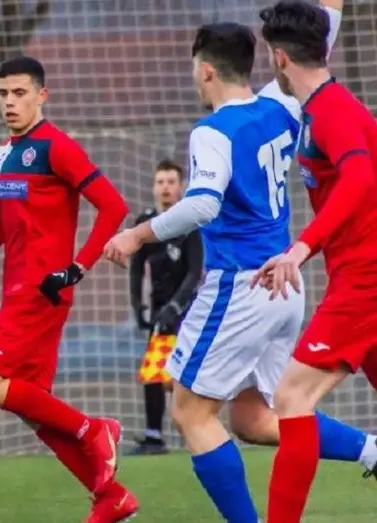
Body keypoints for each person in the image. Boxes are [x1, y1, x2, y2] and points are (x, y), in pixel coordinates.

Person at [102, 3, 377, 521]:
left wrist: (137, 234)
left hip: (239, 287)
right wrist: (329, 10)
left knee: (189, 411)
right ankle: (371, 450)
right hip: (283, 288)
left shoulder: (213, 131)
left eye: (194, 68)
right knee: (254, 417)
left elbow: (203, 204)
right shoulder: (281, 106)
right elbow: (312, 52)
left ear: (206, 70)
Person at [0, 56, 135, 523]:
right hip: (16, 291)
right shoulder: (2, 153)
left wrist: (77, 267)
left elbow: (113, 206)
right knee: (36, 410)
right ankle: (112, 497)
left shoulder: (57, 146)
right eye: (3, 93)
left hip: (43, 292)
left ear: (42, 95)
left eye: (19, 93)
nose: (10, 102)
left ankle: (94, 428)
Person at [254, 2, 377, 521]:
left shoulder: (332, 111)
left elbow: (361, 178)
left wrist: (301, 248)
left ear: (279, 58)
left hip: (366, 281)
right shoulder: (319, 109)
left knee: (291, 398)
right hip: (355, 275)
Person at [128, 159, 203, 456]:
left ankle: (193, 430)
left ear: (181, 186)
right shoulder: (146, 222)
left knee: (176, 376)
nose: (166, 188)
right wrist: (138, 305)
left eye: (171, 182)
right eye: (160, 182)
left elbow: (194, 272)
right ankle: (154, 435)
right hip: (159, 311)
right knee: (155, 372)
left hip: (188, 310)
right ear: (153, 187)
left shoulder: (190, 223)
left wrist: (176, 305)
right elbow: (136, 267)